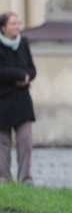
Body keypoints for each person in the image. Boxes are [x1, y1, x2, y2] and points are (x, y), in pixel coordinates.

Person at [0, 12, 36, 185]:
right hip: (3, 101)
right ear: (3, 27)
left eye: (18, 23)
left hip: (22, 101)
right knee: (3, 144)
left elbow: (32, 69)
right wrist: (18, 75)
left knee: (25, 141)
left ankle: (25, 179)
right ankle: (4, 179)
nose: (17, 26)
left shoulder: (23, 43)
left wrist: (27, 76)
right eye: (13, 23)